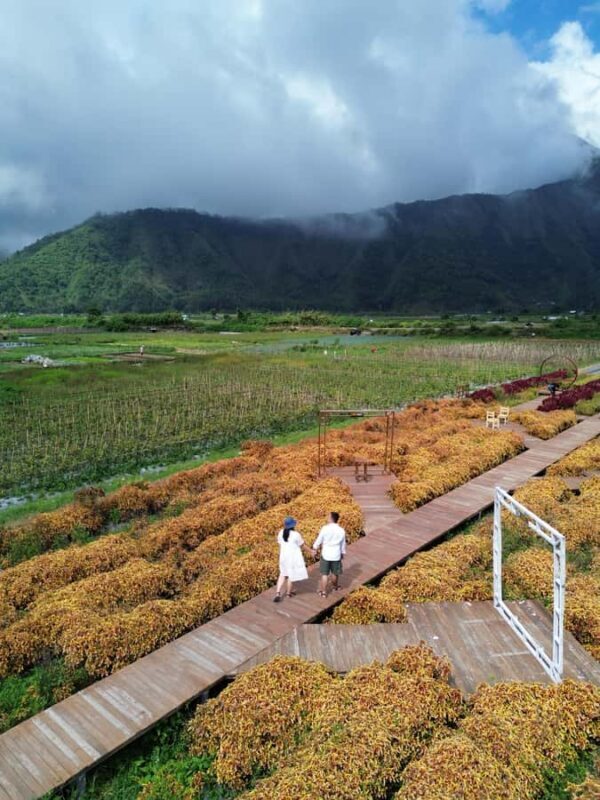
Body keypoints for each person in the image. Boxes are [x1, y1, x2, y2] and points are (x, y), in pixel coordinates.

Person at [274, 516, 310, 602]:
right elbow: (303, 546)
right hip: (292, 558)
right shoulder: (296, 534)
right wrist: (311, 551)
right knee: (291, 575)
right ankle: (288, 593)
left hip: (283, 557)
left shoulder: (281, 532)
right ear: (293, 525)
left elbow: (279, 543)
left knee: (282, 574)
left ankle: (278, 593)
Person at [312, 511, 347, 597]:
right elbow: (343, 544)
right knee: (335, 573)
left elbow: (319, 539)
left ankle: (323, 592)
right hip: (336, 554)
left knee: (325, 574)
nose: (327, 517)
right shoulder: (341, 530)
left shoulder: (325, 528)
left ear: (331, 518)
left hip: (326, 554)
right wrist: (342, 553)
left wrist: (314, 548)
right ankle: (335, 586)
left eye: (328, 516)